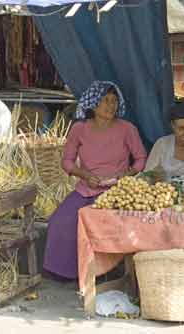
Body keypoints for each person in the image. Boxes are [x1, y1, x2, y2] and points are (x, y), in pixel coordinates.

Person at [43, 81, 147, 281]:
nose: (111, 106)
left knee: (101, 225)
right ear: (93, 104)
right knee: (60, 222)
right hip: (86, 188)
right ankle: (66, 274)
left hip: (118, 191)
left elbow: (141, 159)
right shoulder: (79, 129)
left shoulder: (127, 129)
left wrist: (129, 173)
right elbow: (67, 162)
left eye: (115, 101)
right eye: (105, 101)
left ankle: (103, 273)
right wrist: (84, 175)